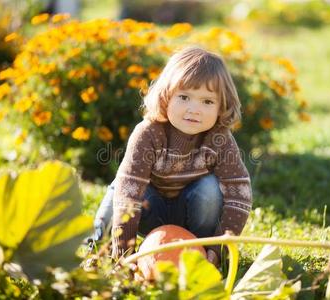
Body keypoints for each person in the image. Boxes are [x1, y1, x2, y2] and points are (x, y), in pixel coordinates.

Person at [88, 46, 252, 267]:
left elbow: (239, 196)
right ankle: (100, 243)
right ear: (166, 97)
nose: (194, 109)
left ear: (222, 106)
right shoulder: (148, 133)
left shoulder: (219, 139)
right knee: (123, 187)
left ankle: (199, 250)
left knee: (210, 189)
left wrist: (217, 249)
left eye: (207, 101)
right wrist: (124, 254)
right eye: (184, 97)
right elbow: (129, 196)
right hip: (148, 211)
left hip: (191, 216)